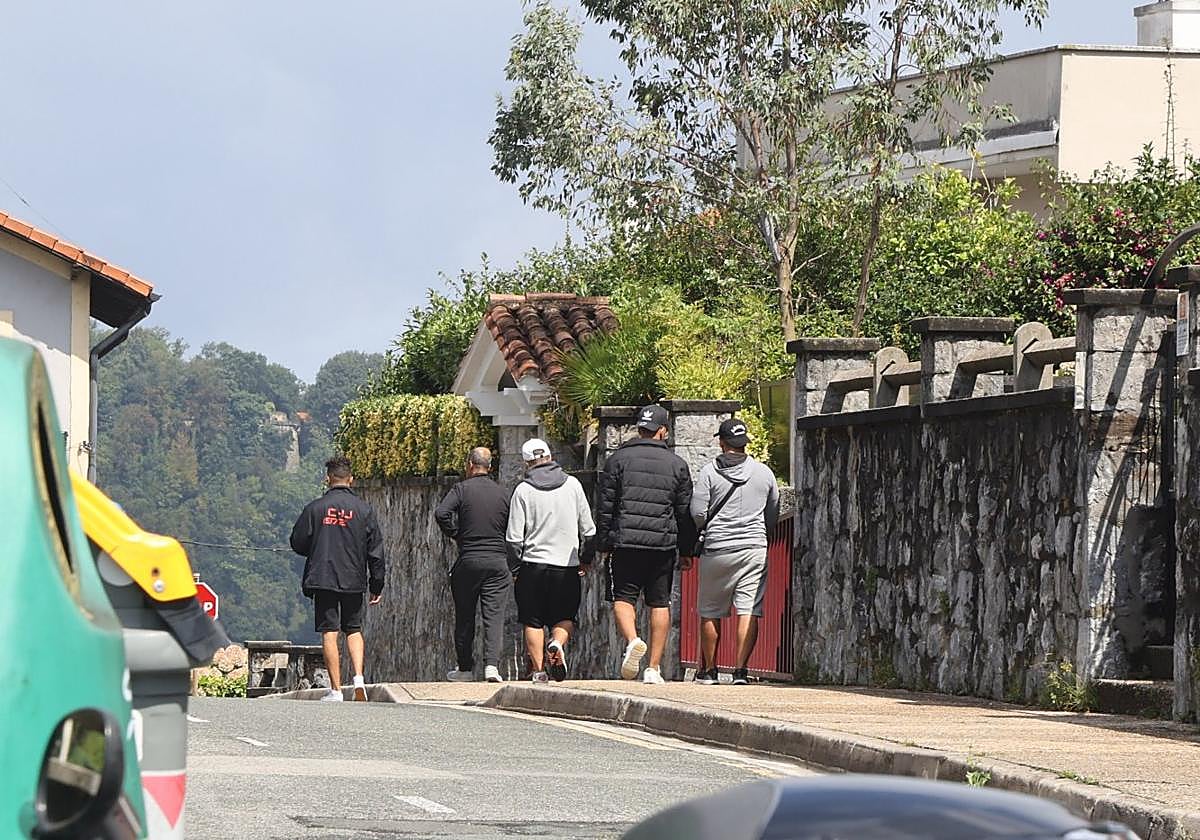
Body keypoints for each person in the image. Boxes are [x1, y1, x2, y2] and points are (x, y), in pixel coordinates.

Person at [596, 404, 696, 684]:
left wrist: (603, 543)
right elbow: (684, 512)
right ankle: (653, 667)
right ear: (662, 431)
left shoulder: (617, 460)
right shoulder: (677, 465)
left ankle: (632, 641)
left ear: (639, 428)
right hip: (662, 545)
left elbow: (605, 506)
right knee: (659, 603)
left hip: (626, 542)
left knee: (622, 598)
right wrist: (687, 550)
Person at [691, 418, 780, 686]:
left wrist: (706, 526)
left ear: (722, 442)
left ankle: (710, 671)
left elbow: (697, 512)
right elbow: (772, 512)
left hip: (718, 548)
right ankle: (741, 671)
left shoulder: (709, 472)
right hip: (753, 548)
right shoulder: (764, 473)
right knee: (749, 608)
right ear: (745, 443)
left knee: (710, 610)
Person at [290, 455, 386, 701]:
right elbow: (375, 550)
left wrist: (316, 547)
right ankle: (359, 680)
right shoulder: (364, 510)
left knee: (329, 632)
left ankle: (335, 690)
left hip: (323, 577)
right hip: (354, 577)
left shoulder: (315, 509)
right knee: (353, 629)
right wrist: (377, 584)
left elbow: (297, 542)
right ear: (351, 479)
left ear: (328, 479)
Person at [506, 438, 596, 683]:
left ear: (526, 463)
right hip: (566, 566)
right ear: (550, 457)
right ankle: (556, 643)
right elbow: (589, 531)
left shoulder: (523, 490)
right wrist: (585, 560)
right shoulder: (573, 485)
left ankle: (538, 672)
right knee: (565, 616)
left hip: (532, 566)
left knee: (532, 620)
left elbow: (513, 538)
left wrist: (516, 570)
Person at [434, 447, 511, 684]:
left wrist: (456, 534)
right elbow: (514, 525)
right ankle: (491, 666)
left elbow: (441, 513)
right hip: (498, 561)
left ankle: (465, 669)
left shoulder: (461, 489)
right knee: (494, 616)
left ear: (469, 465)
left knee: (465, 615)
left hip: (469, 560)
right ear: (490, 466)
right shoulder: (503, 493)